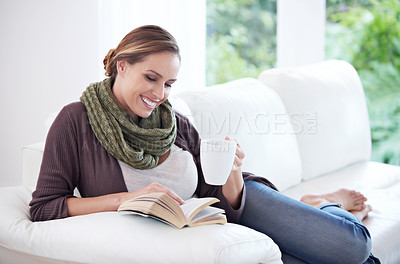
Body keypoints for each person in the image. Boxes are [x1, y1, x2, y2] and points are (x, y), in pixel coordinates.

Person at [29, 25, 380, 264]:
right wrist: (124, 200)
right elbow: (45, 207)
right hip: (195, 231)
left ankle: (323, 203)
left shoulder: (174, 122)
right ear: (122, 66)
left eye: (168, 83)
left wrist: (234, 174)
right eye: (151, 78)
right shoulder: (76, 120)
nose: (159, 94)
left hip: (229, 208)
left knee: (353, 246)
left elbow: (218, 193)